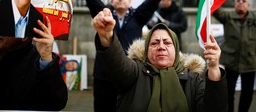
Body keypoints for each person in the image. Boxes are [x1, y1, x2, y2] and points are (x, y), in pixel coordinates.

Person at [92, 8, 228, 112]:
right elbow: (118, 64)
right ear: (146, 50)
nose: (161, 47)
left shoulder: (193, 80)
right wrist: (107, 36)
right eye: (154, 43)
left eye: (167, 43)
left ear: (176, 49)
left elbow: (215, 108)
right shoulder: (135, 72)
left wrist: (214, 67)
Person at [79, 0, 173, 111]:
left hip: (130, 74)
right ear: (111, 1)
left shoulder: (138, 16)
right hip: (104, 75)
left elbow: (151, 2)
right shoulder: (105, 15)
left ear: (130, 2)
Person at [0, 16, 68, 110]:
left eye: (5, 26)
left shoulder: (39, 61)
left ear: (24, 35)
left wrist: (46, 60)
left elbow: (57, 103)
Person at [213, 0, 256, 112]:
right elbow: (214, 8)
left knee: (247, 93)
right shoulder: (227, 17)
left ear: (248, 5)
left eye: (243, 1)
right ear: (235, 4)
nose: (240, 2)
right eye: (238, 1)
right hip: (231, 63)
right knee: (228, 92)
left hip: (249, 63)